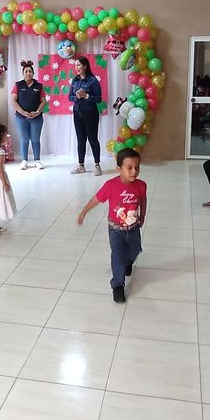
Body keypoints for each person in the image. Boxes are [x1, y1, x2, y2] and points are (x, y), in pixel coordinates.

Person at [77, 147, 146, 303]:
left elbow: (143, 200)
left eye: (137, 167)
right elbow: (96, 199)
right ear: (119, 169)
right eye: (129, 168)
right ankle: (117, 286)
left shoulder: (141, 185)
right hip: (116, 230)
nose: (134, 171)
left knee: (135, 251)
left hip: (133, 228)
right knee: (118, 257)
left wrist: (143, 215)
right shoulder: (111, 185)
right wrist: (84, 211)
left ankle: (128, 262)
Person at [69, 56, 103, 176]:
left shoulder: (93, 80)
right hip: (77, 114)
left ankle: (97, 165)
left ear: (85, 66)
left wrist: (86, 96)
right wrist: (77, 97)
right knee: (80, 140)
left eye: (79, 65)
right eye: (75, 65)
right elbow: (70, 97)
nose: (76, 67)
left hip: (90, 114)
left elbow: (99, 99)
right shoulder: (75, 80)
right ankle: (81, 166)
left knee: (93, 139)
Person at [11, 61, 46, 170]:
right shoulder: (18, 85)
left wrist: (37, 112)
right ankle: (24, 161)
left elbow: (43, 101)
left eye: (30, 71)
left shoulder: (39, 86)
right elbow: (13, 101)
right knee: (24, 139)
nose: (28, 73)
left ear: (33, 73)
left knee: (35, 139)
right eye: (26, 71)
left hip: (36, 118)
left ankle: (37, 160)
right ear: (23, 73)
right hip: (21, 118)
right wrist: (23, 112)